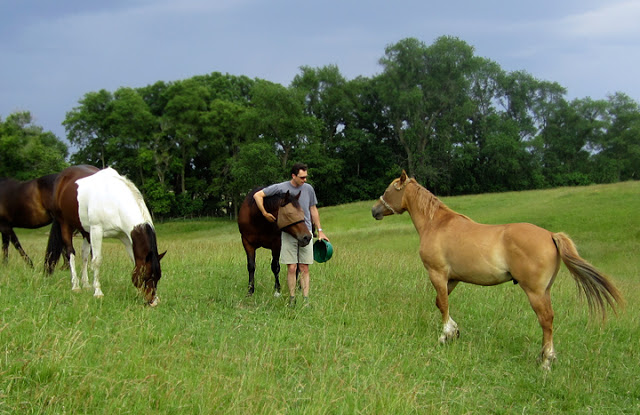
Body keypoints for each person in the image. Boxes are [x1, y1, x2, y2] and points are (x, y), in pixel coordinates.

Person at [253, 163, 329, 307]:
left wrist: (320, 230)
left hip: (306, 232)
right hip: (289, 234)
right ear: (293, 176)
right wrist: (264, 213)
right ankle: (292, 299)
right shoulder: (281, 188)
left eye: (306, 177)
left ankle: (306, 300)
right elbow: (258, 195)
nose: (305, 180)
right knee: (292, 267)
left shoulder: (309, 189)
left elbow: (313, 209)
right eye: (302, 177)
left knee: (304, 267)